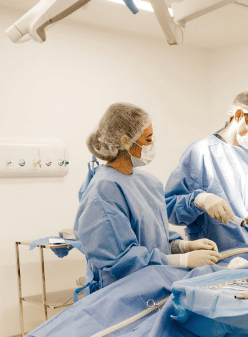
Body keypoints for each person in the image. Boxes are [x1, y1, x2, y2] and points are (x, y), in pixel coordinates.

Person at [74, 103, 220, 293]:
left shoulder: (148, 183)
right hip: (123, 295)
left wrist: (182, 246)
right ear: (126, 141)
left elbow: (154, 238)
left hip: (157, 285)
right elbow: (120, 261)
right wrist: (180, 261)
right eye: (148, 139)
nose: (152, 145)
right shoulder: (103, 190)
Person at [165, 88, 248, 249]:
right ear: (239, 116)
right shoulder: (200, 152)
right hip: (213, 255)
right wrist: (199, 201)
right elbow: (170, 208)